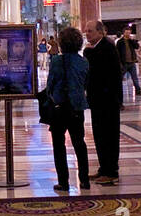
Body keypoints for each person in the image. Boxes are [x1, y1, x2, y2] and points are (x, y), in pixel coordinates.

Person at [45, 26, 90, 193]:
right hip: (77, 106)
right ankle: (84, 180)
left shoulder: (56, 61)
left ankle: (63, 181)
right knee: (79, 142)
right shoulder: (83, 61)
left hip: (59, 106)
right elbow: (85, 83)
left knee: (58, 144)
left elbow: (50, 84)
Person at [84, 20, 123, 184]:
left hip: (107, 100)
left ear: (101, 32)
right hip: (99, 100)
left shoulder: (106, 47)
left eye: (90, 31)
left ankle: (111, 171)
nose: (87, 34)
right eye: (86, 31)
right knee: (100, 135)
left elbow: (99, 69)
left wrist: (87, 52)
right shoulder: (98, 47)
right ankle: (103, 168)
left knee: (108, 135)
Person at [120, 26, 141, 95]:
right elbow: (118, 52)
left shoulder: (131, 41)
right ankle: (118, 90)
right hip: (124, 63)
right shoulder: (120, 42)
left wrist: (131, 40)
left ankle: (138, 90)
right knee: (120, 77)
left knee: (135, 77)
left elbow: (137, 46)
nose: (128, 34)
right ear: (123, 33)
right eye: (126, 33)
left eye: (129, 33)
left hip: (132, 62)